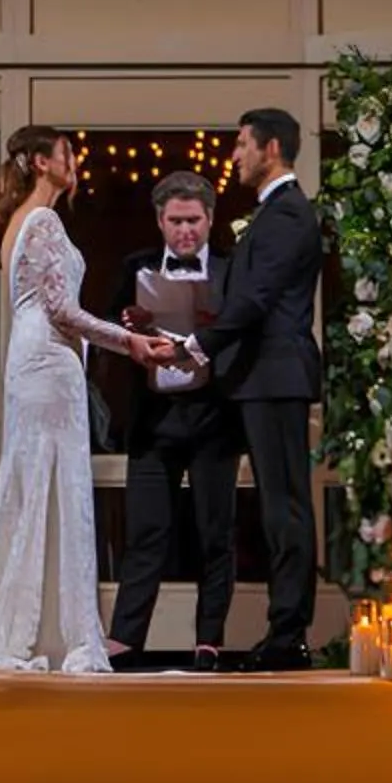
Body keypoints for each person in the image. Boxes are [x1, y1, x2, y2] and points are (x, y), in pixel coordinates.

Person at [0, 130, 175, 672]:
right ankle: (37, 627)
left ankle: (33, 621)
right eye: (67, 152)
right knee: (44, 481)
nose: (75, 161)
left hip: (37, 359)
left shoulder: (24, 219)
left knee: (36, 481)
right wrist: (129, 342)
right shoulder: (41, 220)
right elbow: (62, 309)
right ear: (42, 162)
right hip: (47, 363)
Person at [195, 108, 328, 672]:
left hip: (275, 375)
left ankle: (289, 633)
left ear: (271, 148)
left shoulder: (288, 213)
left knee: (286, 506)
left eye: (242, 145)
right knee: (279, 506)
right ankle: (285, 628)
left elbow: (256, 298)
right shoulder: (277, 212)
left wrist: (196, 343)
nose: (234, 156)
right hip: (260, 376)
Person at [104, 172, 241, 671]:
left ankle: (209, 641)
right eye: (176, 221)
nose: (186, 231)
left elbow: (244, 332)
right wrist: (130, 333)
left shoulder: (230, 269)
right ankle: (125, 639)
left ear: (210, 219)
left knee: (214, 533)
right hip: (154, 417)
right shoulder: (134, 267)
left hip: (214, 417)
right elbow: (106, 330)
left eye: (194, 220)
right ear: (160, 221)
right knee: (146, 531)